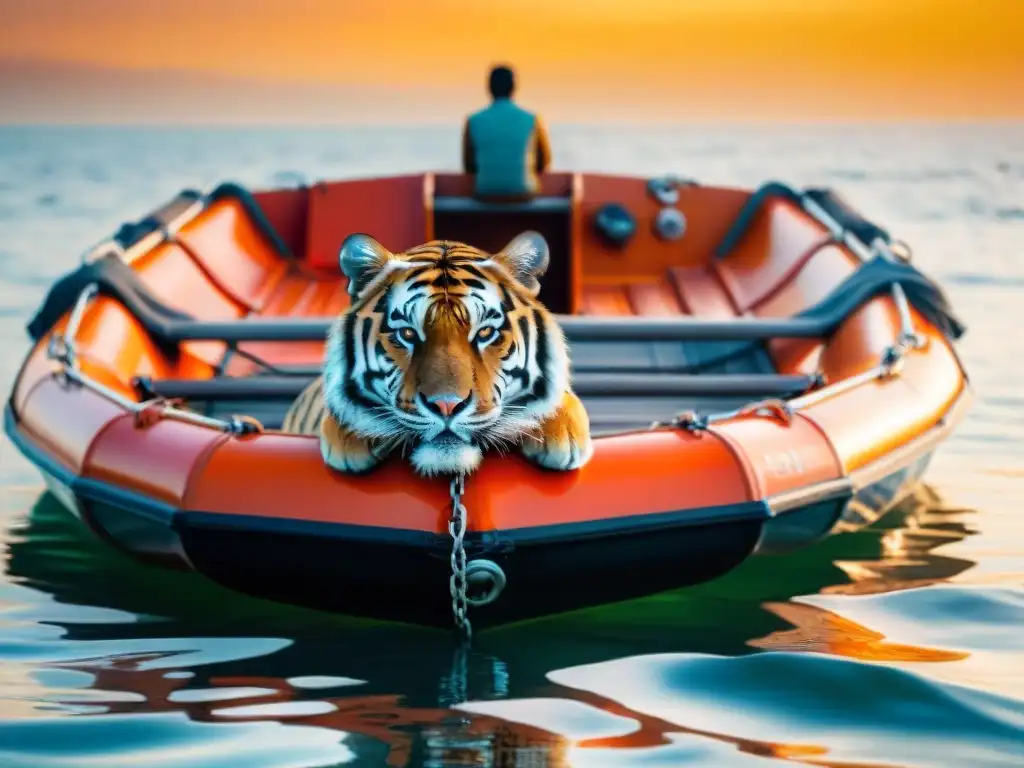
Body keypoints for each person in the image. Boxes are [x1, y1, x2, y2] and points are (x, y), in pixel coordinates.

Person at [461, 65, 552, 200]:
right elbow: (544, 162)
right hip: (522, 194)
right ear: (514, 88)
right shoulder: (532, 119)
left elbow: (469, 165)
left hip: (486, 193)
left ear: (489, 88)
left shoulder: (473, 120)